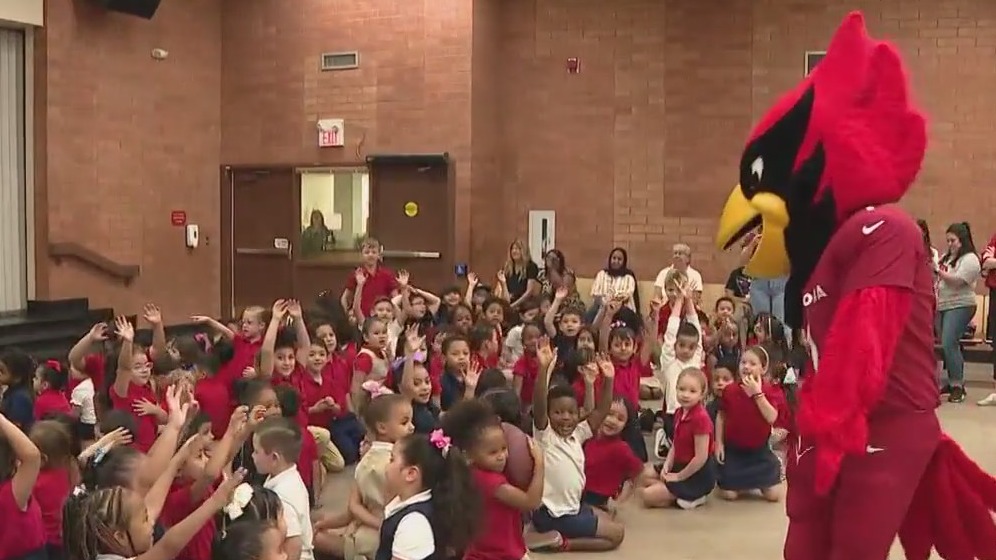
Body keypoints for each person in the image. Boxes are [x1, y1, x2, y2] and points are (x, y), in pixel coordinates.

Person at [714, 12, 996, 560]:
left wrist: (817, 420)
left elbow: (864, 347)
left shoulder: (883, 229)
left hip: (884, 426)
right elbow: (823, 356)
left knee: (851, 549)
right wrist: (805, 428)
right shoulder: (818, 266)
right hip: (830, 428)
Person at [935, 222, 980, 404]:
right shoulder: (947, 257)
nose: (950, 244)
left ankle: (957, 386)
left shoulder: (970, 259)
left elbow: (957, 281)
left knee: (949, 342)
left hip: (961, 305)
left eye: (953, 240)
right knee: (948, 344)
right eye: (948, 240)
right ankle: (954, 380)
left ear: (962, 240)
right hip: (944, 305)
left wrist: (938, 271)